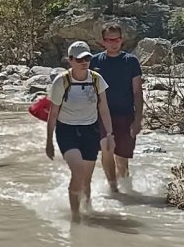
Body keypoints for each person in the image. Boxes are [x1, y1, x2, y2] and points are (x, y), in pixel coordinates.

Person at [46, 41, 115, 220]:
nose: (84, 62)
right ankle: (75, 216)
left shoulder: (96, 79)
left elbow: (104, 108)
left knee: (86, 179)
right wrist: (49, 142)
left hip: (90, 130)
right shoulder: (61, 81)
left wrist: (109, 134)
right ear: (70, 60)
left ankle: (88, 209)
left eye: (87, 58)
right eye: (79, 59)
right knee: (78, 172)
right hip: (67, 131)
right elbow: (53, 114)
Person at [90, 22, 144, 194]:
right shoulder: (95, 61)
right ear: (103, 41)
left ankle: (126, 188)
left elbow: (137, 92)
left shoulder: (131, 61)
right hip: (101, 116)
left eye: (117, 39)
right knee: (107, 150)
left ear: (122, 40)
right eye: (109, 40)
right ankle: (113, 189)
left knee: (121, 158)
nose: (113, 43)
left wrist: (138, 119)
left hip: (125, 115)